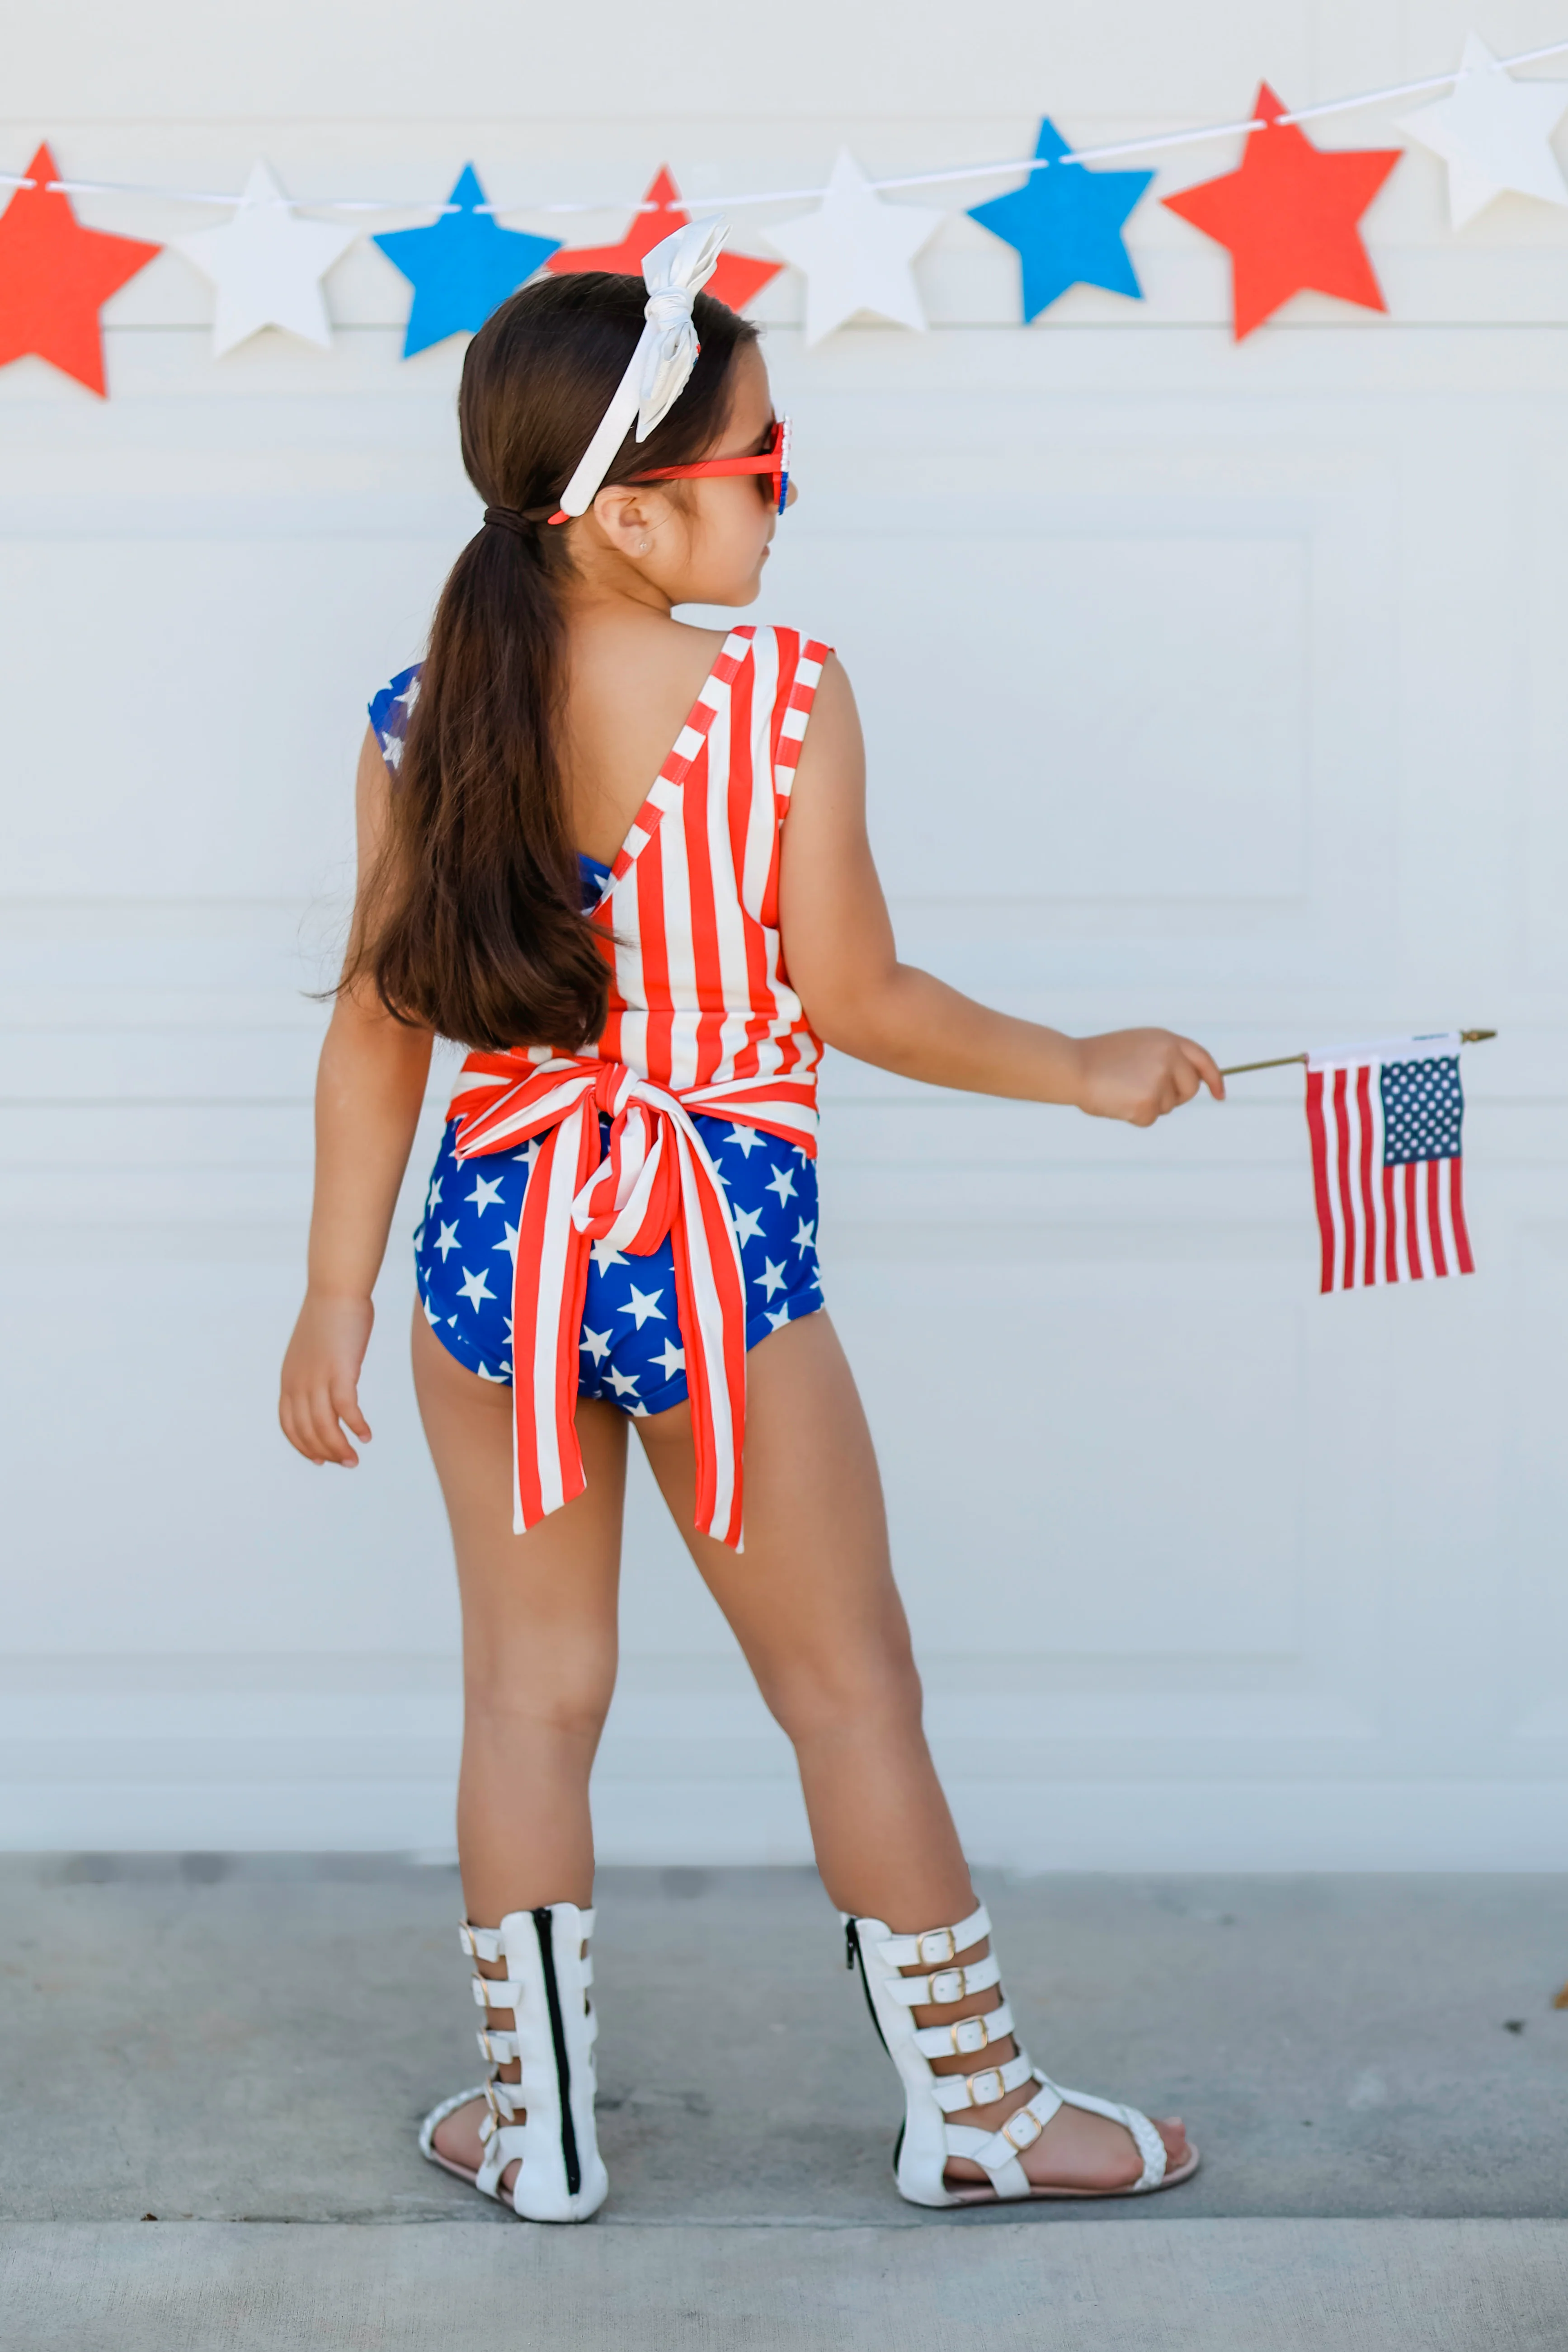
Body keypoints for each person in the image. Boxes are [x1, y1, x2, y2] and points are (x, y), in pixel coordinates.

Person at [278, 220, 1221, 2223]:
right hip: (712, 1260)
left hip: (495, 1256)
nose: (784, 502)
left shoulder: (410, 709)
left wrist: (335, 1297)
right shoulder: (783, 697)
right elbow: (860, 1000)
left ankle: (537, 2134)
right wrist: (1082, 1060)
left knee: (528, 1695)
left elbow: (382, 1035)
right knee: (850, 1686)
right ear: (624, 515)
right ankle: (975, 2106)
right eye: (759, 469)